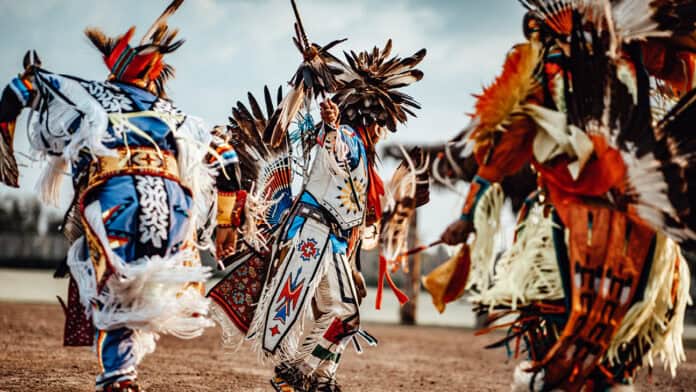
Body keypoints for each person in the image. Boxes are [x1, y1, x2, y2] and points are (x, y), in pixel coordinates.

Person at [429, 1, 696, 390]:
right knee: (606, 346)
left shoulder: (555, 62)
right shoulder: (624, 51)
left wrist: (468, 215)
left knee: (569, 331)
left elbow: (505, 148)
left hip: (588, 221)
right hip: (639, 214)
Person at [0, 1, 239, 390]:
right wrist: (227, 222)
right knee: (143, 290)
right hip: (174, 208)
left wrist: (4, 142)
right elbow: (226, 158)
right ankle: (121, 374)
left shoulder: (87, 92)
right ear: (153, 76)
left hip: (115, 198)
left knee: (117, 286)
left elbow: (21, 87)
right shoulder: (173, 113)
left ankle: (119, 376)